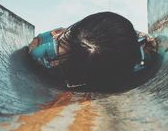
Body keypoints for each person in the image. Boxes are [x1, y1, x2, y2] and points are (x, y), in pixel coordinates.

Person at [27, 11, 158, 90]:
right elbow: (39, 41)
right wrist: (43, 43)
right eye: (61, 42)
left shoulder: (121, 63)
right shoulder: (61, 36)